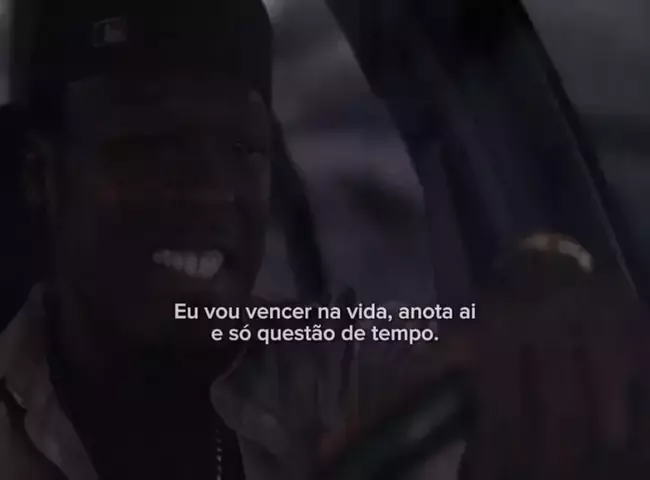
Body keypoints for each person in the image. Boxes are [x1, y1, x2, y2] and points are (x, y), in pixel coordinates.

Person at [2, 1, 650, 480]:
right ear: (40, 175)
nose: (211, 191)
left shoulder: (313, 358)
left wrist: (541, 282)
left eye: (243, 150)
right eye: (148, 146)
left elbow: (447, 345)